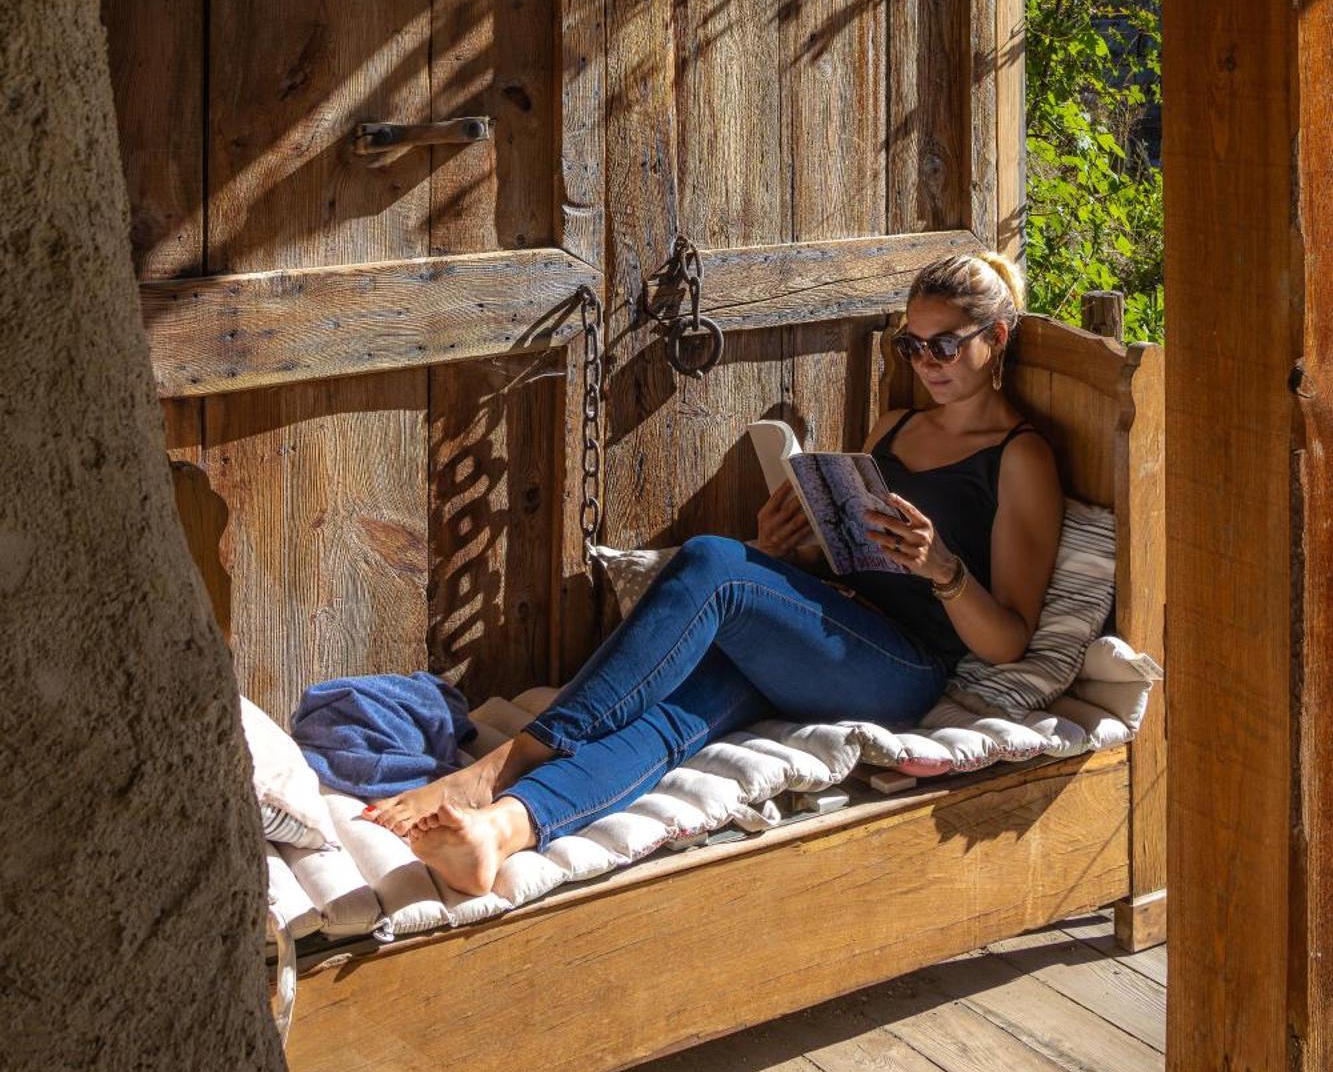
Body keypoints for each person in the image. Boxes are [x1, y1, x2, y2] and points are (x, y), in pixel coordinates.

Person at [365, 251, 1064, 895]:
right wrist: (792, 549)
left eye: (943, 344)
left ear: (995, 338)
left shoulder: (1019, 458)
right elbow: (861, 557)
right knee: (678, 716)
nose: (925, 361)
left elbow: (1006, 642)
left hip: (902, 667)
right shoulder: (893, 427)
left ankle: (508, 761)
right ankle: (501, 830)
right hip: (828, 633)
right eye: (910, 345)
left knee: (713, 562)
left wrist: (943, 570)